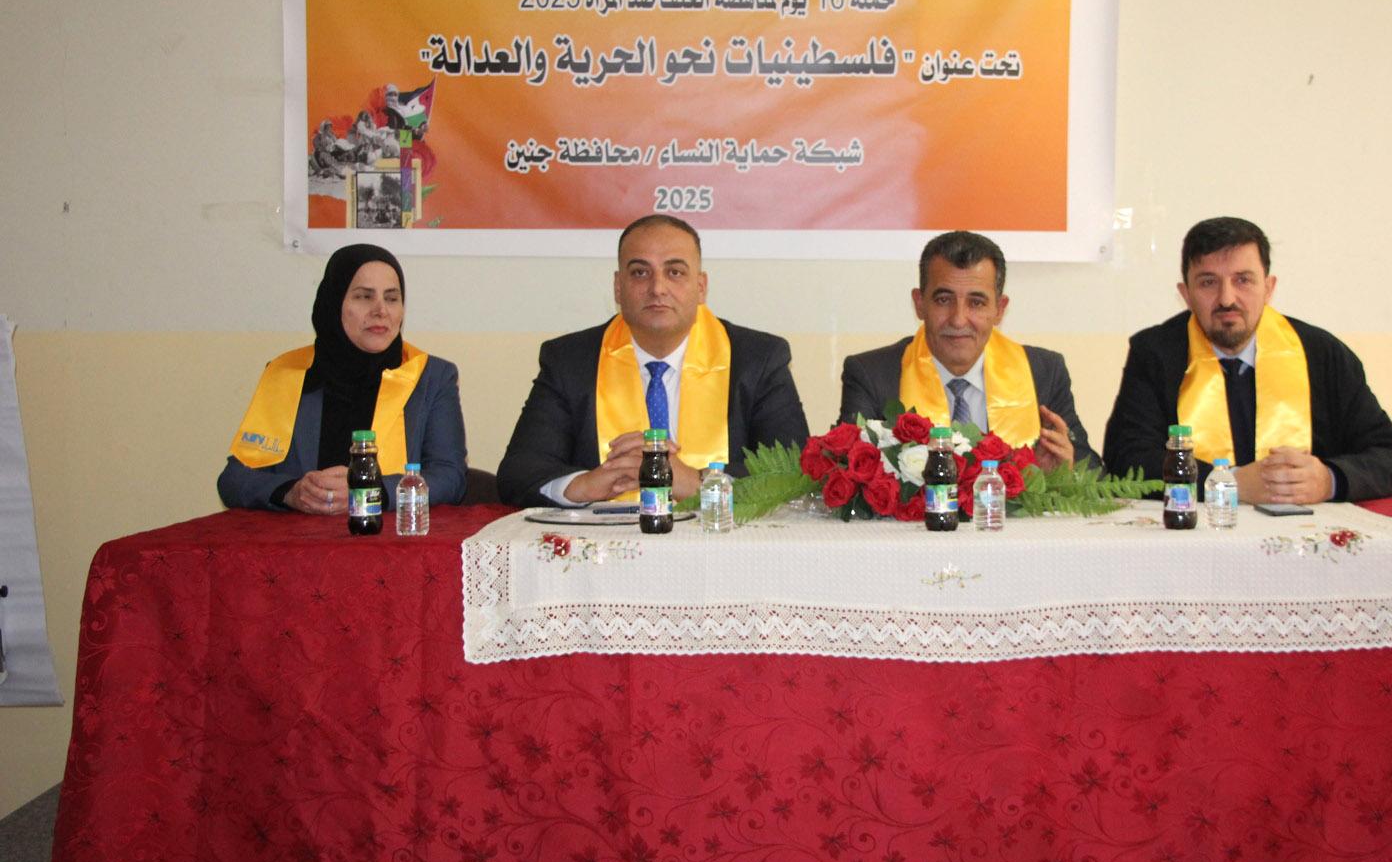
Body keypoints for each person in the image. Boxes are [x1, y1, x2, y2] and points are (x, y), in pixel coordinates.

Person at [497, 215, 810, 507]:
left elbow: (795, 471)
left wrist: (698, 483)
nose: (657, 288)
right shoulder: (569, 360)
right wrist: (584, 486)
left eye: (675, 272)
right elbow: (519, 471)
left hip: (721, 540)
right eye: (640, 272)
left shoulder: (758, 359)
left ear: (701, 287)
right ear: (618, 287)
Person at [1102, 216, 1392, 504]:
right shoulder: (1154, 354)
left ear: (1268, 288)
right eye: (1208, 282)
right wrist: (1228, 483)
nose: (1227, 299)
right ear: (1186, 294)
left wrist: (1329, 480)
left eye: (1243, 280)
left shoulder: (1322, 354)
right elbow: (1125, 463)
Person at [217, 244, 468, 512]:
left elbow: (450, 478)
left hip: (388, 534)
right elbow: (234, 479)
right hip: (298, 535)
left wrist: (370, 491)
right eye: (364, 297)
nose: (381, 310)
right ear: (334, 302)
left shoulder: (431, 377)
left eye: (392, 298)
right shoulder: (288, 373)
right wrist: (291, 492)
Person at [839, 230, 1102, 470]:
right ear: (920, 304)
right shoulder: (872, 376)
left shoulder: (1044, 373)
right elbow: (844, 472)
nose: (958, 320)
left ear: (999, 309)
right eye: (944, 300)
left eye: (976, 303)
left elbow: (1096, 475)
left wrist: (1066, 471)